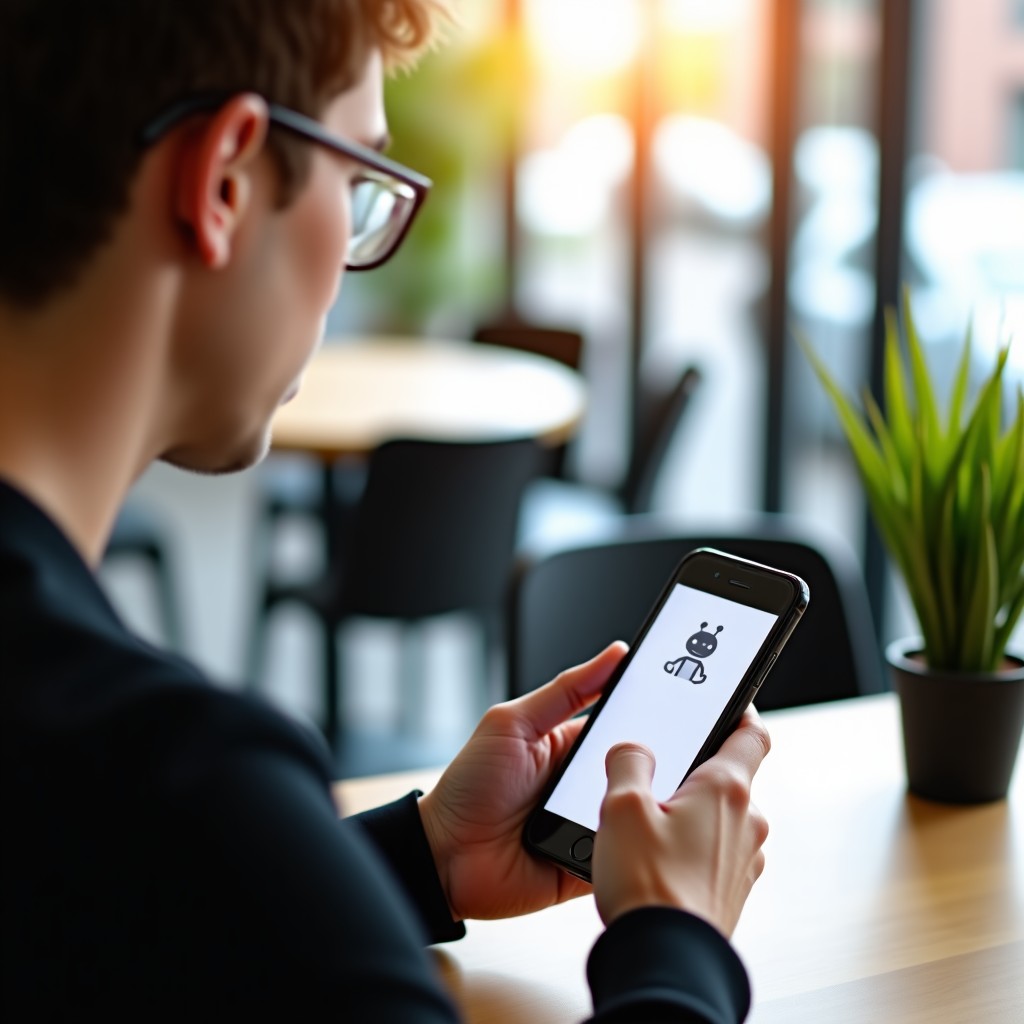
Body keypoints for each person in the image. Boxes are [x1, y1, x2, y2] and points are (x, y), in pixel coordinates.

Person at [0, 1, 771, 1019]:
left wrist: (406, 859)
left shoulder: (130, 808)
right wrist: (673, 939)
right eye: (360, 182)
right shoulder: (174, 779)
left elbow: (117, 919)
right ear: (223, 178)